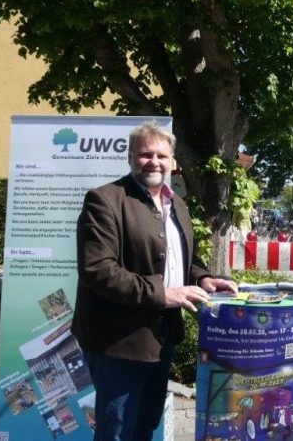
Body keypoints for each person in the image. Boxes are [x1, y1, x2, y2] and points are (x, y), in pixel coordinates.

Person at [72, 121, 238, 441]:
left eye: (162, 155)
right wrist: (164, 293)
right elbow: (97, 270)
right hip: (117, 343)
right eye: (145, 154)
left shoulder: (177, 204)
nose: (154, 161)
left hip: (162, 338)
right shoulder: (105, 200)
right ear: (130, 156)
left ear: (172, 160)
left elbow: (183, 261)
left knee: (145, 427)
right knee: (116, 432)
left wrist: (204, 279)